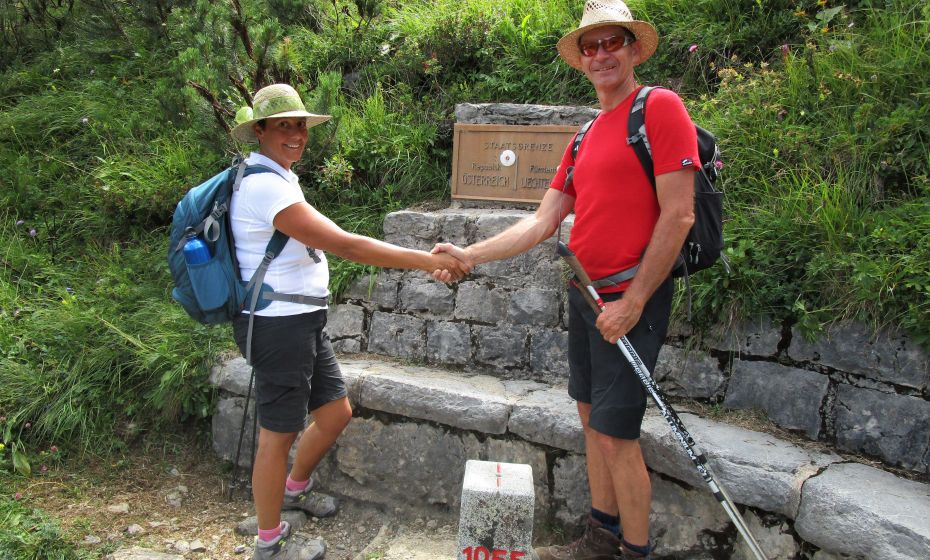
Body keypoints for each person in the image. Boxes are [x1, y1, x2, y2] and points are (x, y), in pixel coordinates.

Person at [432, 2, 698, 558]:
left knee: (618, 435)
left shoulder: (659, 108)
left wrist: (635, 302)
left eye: (612, 43)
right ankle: (601, 536)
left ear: (632, 48)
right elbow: (541, 221)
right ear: (580, 58)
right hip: (587, 296)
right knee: (590, 421)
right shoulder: (584, 135)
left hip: (630, 299)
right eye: (591, 46)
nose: (602, 54)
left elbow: (678, 216)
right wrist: (468, 254)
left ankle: (635, 551)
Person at [228, 83, 469, 560]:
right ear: (259, 131)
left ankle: (293, 491)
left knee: (335, 413)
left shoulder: (280, 176)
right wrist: (426, 261)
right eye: (283, 125)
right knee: (276, 435)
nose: (296, 134)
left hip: (302, 321)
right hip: (278, 326)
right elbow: (346, 245)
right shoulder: (261, 186)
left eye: (300, 125)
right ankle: (269, 543)